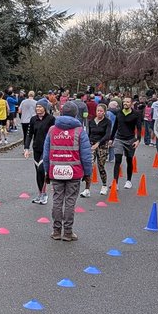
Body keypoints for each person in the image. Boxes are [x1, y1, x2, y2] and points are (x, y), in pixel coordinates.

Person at [42, 101, 93, 241]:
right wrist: (88, 173)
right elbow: (86, 156)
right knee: (70, 201)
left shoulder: (52, 130)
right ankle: (68, 232)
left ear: (62, 112)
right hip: (74, 171)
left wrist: (47, 171)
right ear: (76, 114)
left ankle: (56, 231)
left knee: (57, 200)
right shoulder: (79, 131)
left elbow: (46, 154)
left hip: (56, 170)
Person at [111, 95, 142, 189]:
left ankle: (128, 181)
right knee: (118, 160)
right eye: (124, 102)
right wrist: (111, 139)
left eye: (128, 102)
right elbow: (115, 126)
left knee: (129, 160)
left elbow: (139, 128)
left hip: (130, 139)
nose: (125, 103)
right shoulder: (119, 113)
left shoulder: (136, 114)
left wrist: (138, 140)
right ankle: (115, 182)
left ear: (131, 103)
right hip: (119, 139)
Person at [29, 101, 54, 204]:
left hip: (46, 149)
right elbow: (29, 134)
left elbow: (54, 133)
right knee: (37, 172)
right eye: (37, 107)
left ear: (45, 108)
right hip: (36, 148)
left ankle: (44, 194)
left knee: (41, 169)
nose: (38, 109)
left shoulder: (51, 119)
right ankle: (40, 193)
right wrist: (26, 148)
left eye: (40, 107)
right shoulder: (33, 119)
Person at [87, 103, 112, 196]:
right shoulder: (91, 121)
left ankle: (104, 185)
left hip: (102, 145)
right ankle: (87, 188)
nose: (99, 113)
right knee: (89, 166)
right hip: (91, 145)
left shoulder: (107, 122)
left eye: (101, 111)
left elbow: (107, 135)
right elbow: (88, 134)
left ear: (104, 112)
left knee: (101, 166)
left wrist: (98, 143)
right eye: (98, 111)